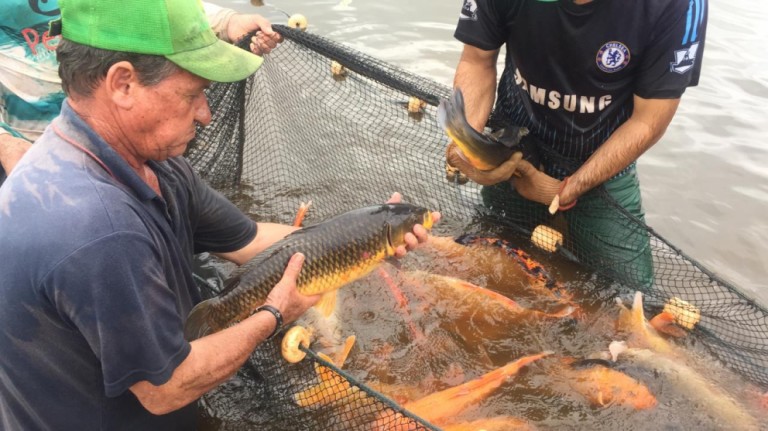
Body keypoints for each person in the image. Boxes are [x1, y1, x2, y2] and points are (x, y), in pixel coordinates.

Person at [0, 0, 438, 429]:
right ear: (122, 84)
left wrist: (361, 235)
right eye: (192, 94)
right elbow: (166, 388)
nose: (206, 114)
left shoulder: (152, 164)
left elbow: (248, 241)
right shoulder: (95, 227)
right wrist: (273, 314)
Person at [445, 0, 707, 288]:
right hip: (514, 151)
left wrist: (565, 190)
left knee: (629, 293)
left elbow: (649, 119)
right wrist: (468, 143)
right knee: (490, 262)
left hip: (602, 163)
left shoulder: (677, 5)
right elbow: (477, 60)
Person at [0, 0, 283, 184]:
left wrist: (227, 22)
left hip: (123, 128)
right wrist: (7, 146)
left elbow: (151, 8)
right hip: (30, 143)